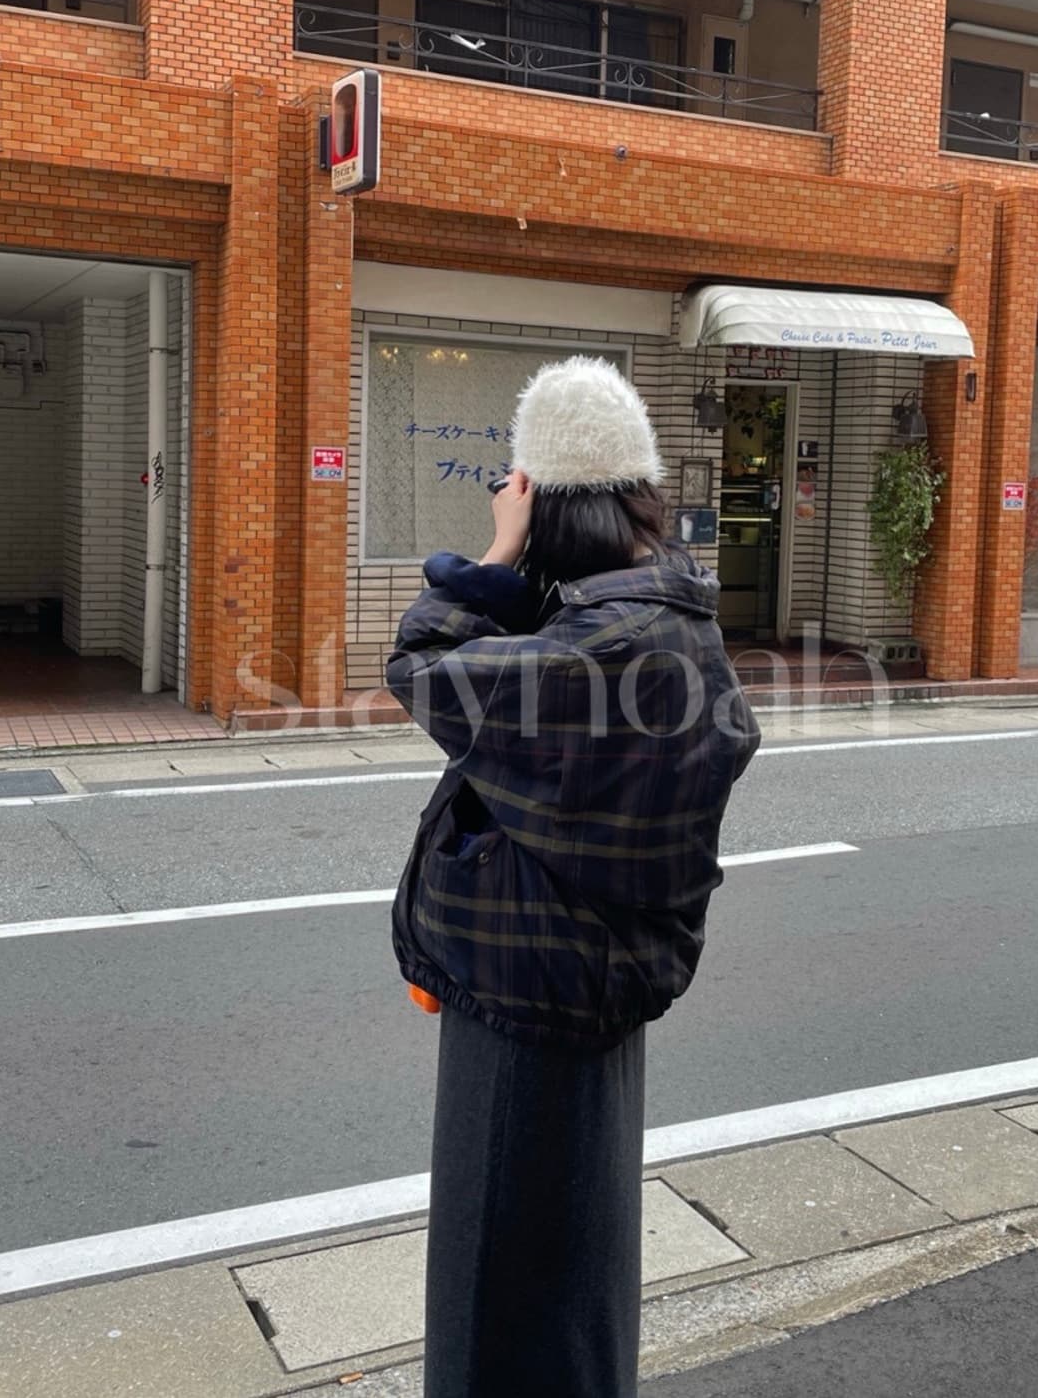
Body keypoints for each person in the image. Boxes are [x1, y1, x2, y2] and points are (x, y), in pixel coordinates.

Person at [386, 355, 760, 1398]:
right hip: (605, 978)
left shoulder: (596, 646)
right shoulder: (675, 617)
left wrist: (491, 559)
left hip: (527, 993)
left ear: (547, 505)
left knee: (498, 1279)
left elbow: (421, 668)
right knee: (577, 1264)